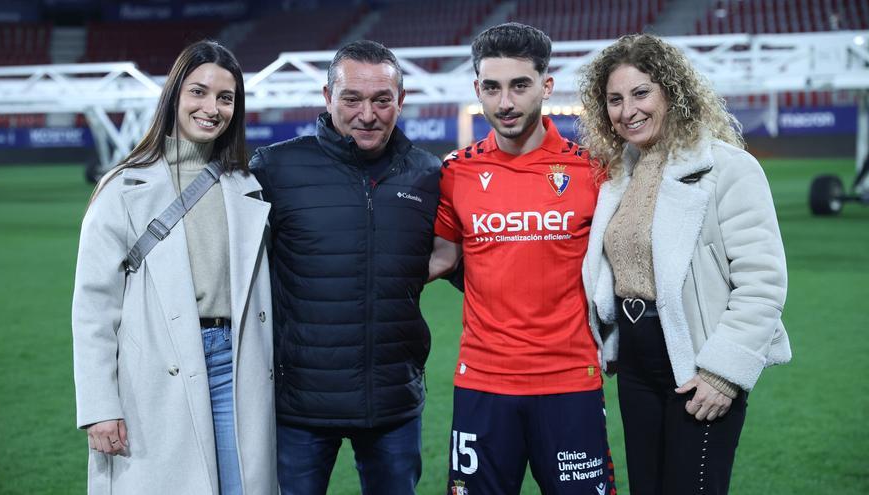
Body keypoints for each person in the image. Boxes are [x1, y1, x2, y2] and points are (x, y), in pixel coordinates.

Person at [578, 33, 792, 495]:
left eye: (640, 93)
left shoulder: (729, 168)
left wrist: (723, 373)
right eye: (614, 99)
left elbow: (763, 283)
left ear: (672, 93)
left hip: (698, 361)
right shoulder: (618, 176)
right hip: (636, 362)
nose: (627, 110)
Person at [71, 40, 276, 494]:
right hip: (154, 369)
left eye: (226, 98)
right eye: (199, 92)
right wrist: (100, 405)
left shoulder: (248, 185)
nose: (212, 108)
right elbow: (93, 308)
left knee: (242, 485)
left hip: (235, 363)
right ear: (174, 97)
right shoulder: (122, 187)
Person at [428, 23, 616, 495]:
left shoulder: (592, 170)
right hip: (483, 382)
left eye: (519, 86)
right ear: (477, 89)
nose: (505, 103)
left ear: (546, 86)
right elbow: (439, 258)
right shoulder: (456, 172)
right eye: (491, 88)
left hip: (570, 379)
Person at [249, 40, 441, 495]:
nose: (367, 114)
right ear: (327, 97)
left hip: (393, 400)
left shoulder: (428, 174)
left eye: (382, 100)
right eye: (352, 98)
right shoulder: (274, 169)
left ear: (401, 100)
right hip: (300, 408)